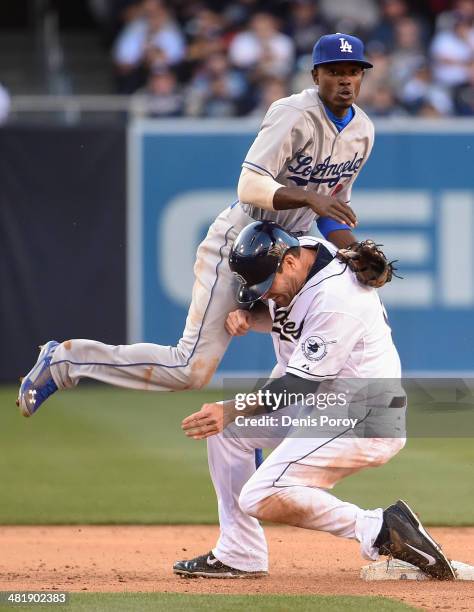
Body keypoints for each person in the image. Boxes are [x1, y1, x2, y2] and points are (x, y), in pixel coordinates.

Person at [17, 33, 380, 415]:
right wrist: (308, 196)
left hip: (290, 256)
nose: (344, 80)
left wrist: (353, 251)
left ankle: (257, 456)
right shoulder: (292, 114)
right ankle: (65, 361)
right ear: (314, 75)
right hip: (243, 243)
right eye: (334, 71)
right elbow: (249, 185)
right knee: (190, 369)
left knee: (308, 352)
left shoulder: (363, 132)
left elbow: (330, 211)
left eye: (353, 72)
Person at [173, 221, 455, 581]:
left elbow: (297, 386)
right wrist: (251, 315)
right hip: (324, 401)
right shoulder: (304, 253)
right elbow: (286, 316)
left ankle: (381, 528)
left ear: (288, 263)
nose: (264, 295)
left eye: (265, 287)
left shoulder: (337, 299)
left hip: (362, 417)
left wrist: (230, 409)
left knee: (259, 494)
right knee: (229, 434)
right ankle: (239, 552)